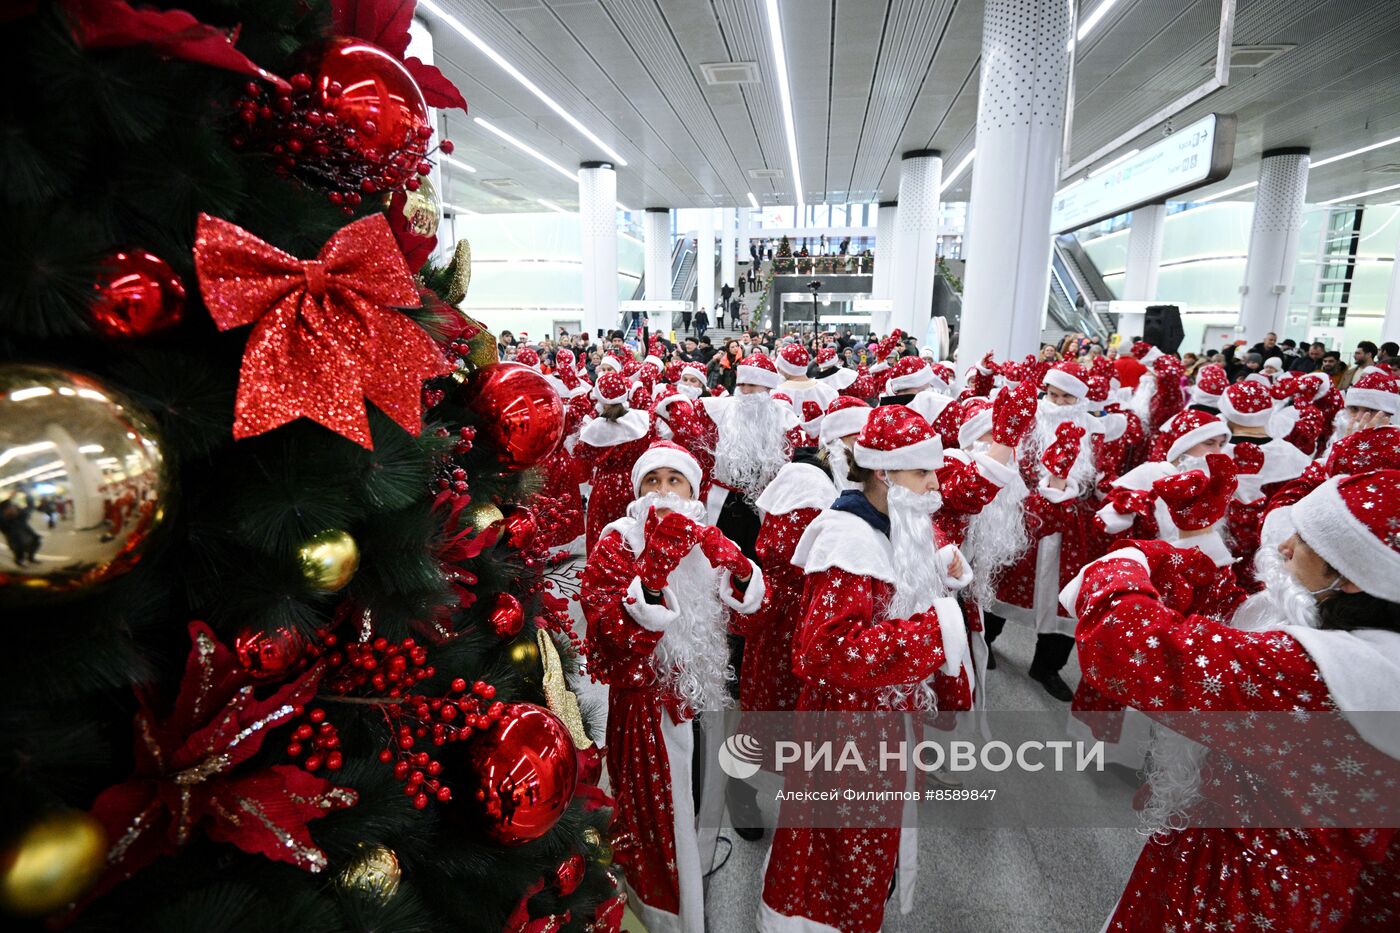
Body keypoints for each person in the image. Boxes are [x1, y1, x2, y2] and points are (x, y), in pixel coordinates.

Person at [1059, 471, 1400, 932]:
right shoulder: (1368, 651)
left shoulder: (1321, 677)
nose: (1284, 549)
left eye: (1303, 542)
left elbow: (1133, 645)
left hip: (1234, 895)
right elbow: (1243, 639)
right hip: (1311, 891)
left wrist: (1122, 564)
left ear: (1354, 578)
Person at [758, 405, 974, 933]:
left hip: (881, 718)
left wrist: (936, 571)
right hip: (848, 727)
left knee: (870, 838)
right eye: (922, 472)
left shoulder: (895, 519)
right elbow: (823, 652)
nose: (934, 484)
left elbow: (887, 598)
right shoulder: (845, 541)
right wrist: (933, 630)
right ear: (885, 473)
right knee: (841, 846)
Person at [581, 441, 765, 933]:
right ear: (637, 491)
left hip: (700, 697)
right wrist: (655, 572)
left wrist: (743, 570)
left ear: (693, 489)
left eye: (675, 480)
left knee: (702, 803)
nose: (663, 491)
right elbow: (610, 638)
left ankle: (695, 886)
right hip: (646, 712)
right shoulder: (617, 541)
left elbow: (748, 610)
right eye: (652, 481)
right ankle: (665, 917)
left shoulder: (703, 538)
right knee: (657, 827)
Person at [575, 373, 654, 552]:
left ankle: (602, 567)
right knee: (634, 529)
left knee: (603, 529)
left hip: (605, 486)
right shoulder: (640, 420)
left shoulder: (595, 428)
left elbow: (582, 453)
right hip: (634, 482)